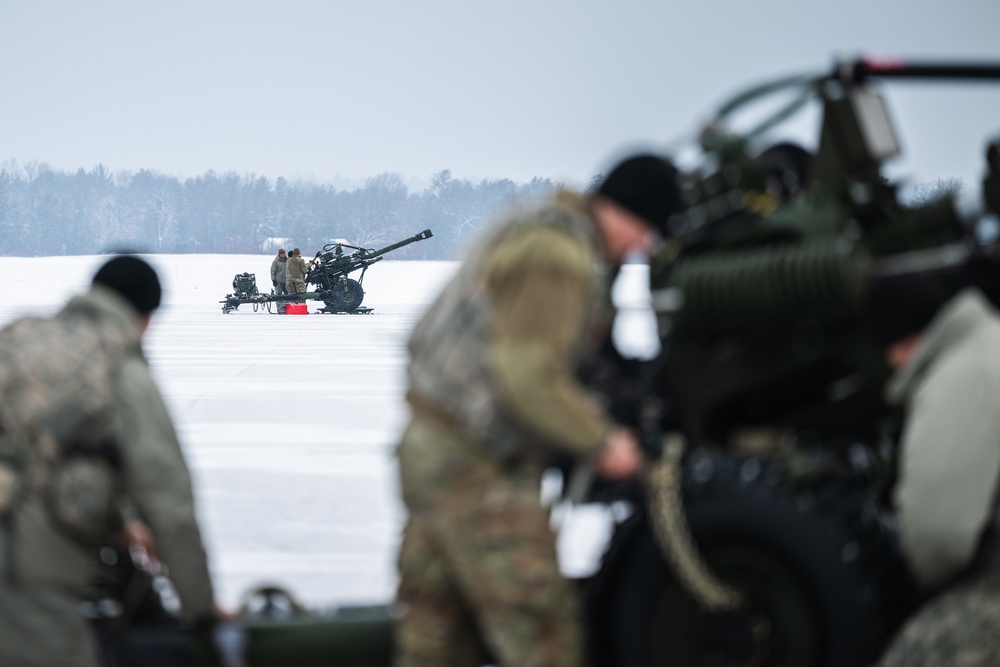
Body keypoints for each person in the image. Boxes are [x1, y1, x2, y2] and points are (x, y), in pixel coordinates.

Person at [394, 153, 683, 667]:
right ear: (618, 210)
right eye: (645, 230)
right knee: (542, 630)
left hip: (432, 445)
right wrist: (602, 440)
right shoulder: (559, 256)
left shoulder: (546, 227)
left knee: (438, 630)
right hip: (475, 463)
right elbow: (526, 380)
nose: (644, 247)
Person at [0, 256, 221, 667]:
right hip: (24, 575)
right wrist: (202, 611)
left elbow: (43, 449)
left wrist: (119, 521)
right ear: (145, 318)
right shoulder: (119, 367)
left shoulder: (19, 338)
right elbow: (168, 501)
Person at [864, 276, 1000, 666]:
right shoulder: (990, 342)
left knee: (923, 652)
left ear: (897, 350)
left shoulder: (959, 375)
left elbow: (940, 539)